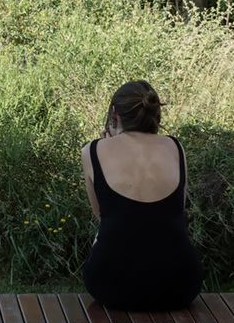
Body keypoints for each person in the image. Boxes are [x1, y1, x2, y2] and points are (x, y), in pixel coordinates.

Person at [80, 79, 204, 311]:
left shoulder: (93, 151)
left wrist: (109, 145)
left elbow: (103, 216)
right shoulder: (175, 147)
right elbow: (176, 211)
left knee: (103, 233)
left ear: (114, 113)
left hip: (111, 286)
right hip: (180, 285)